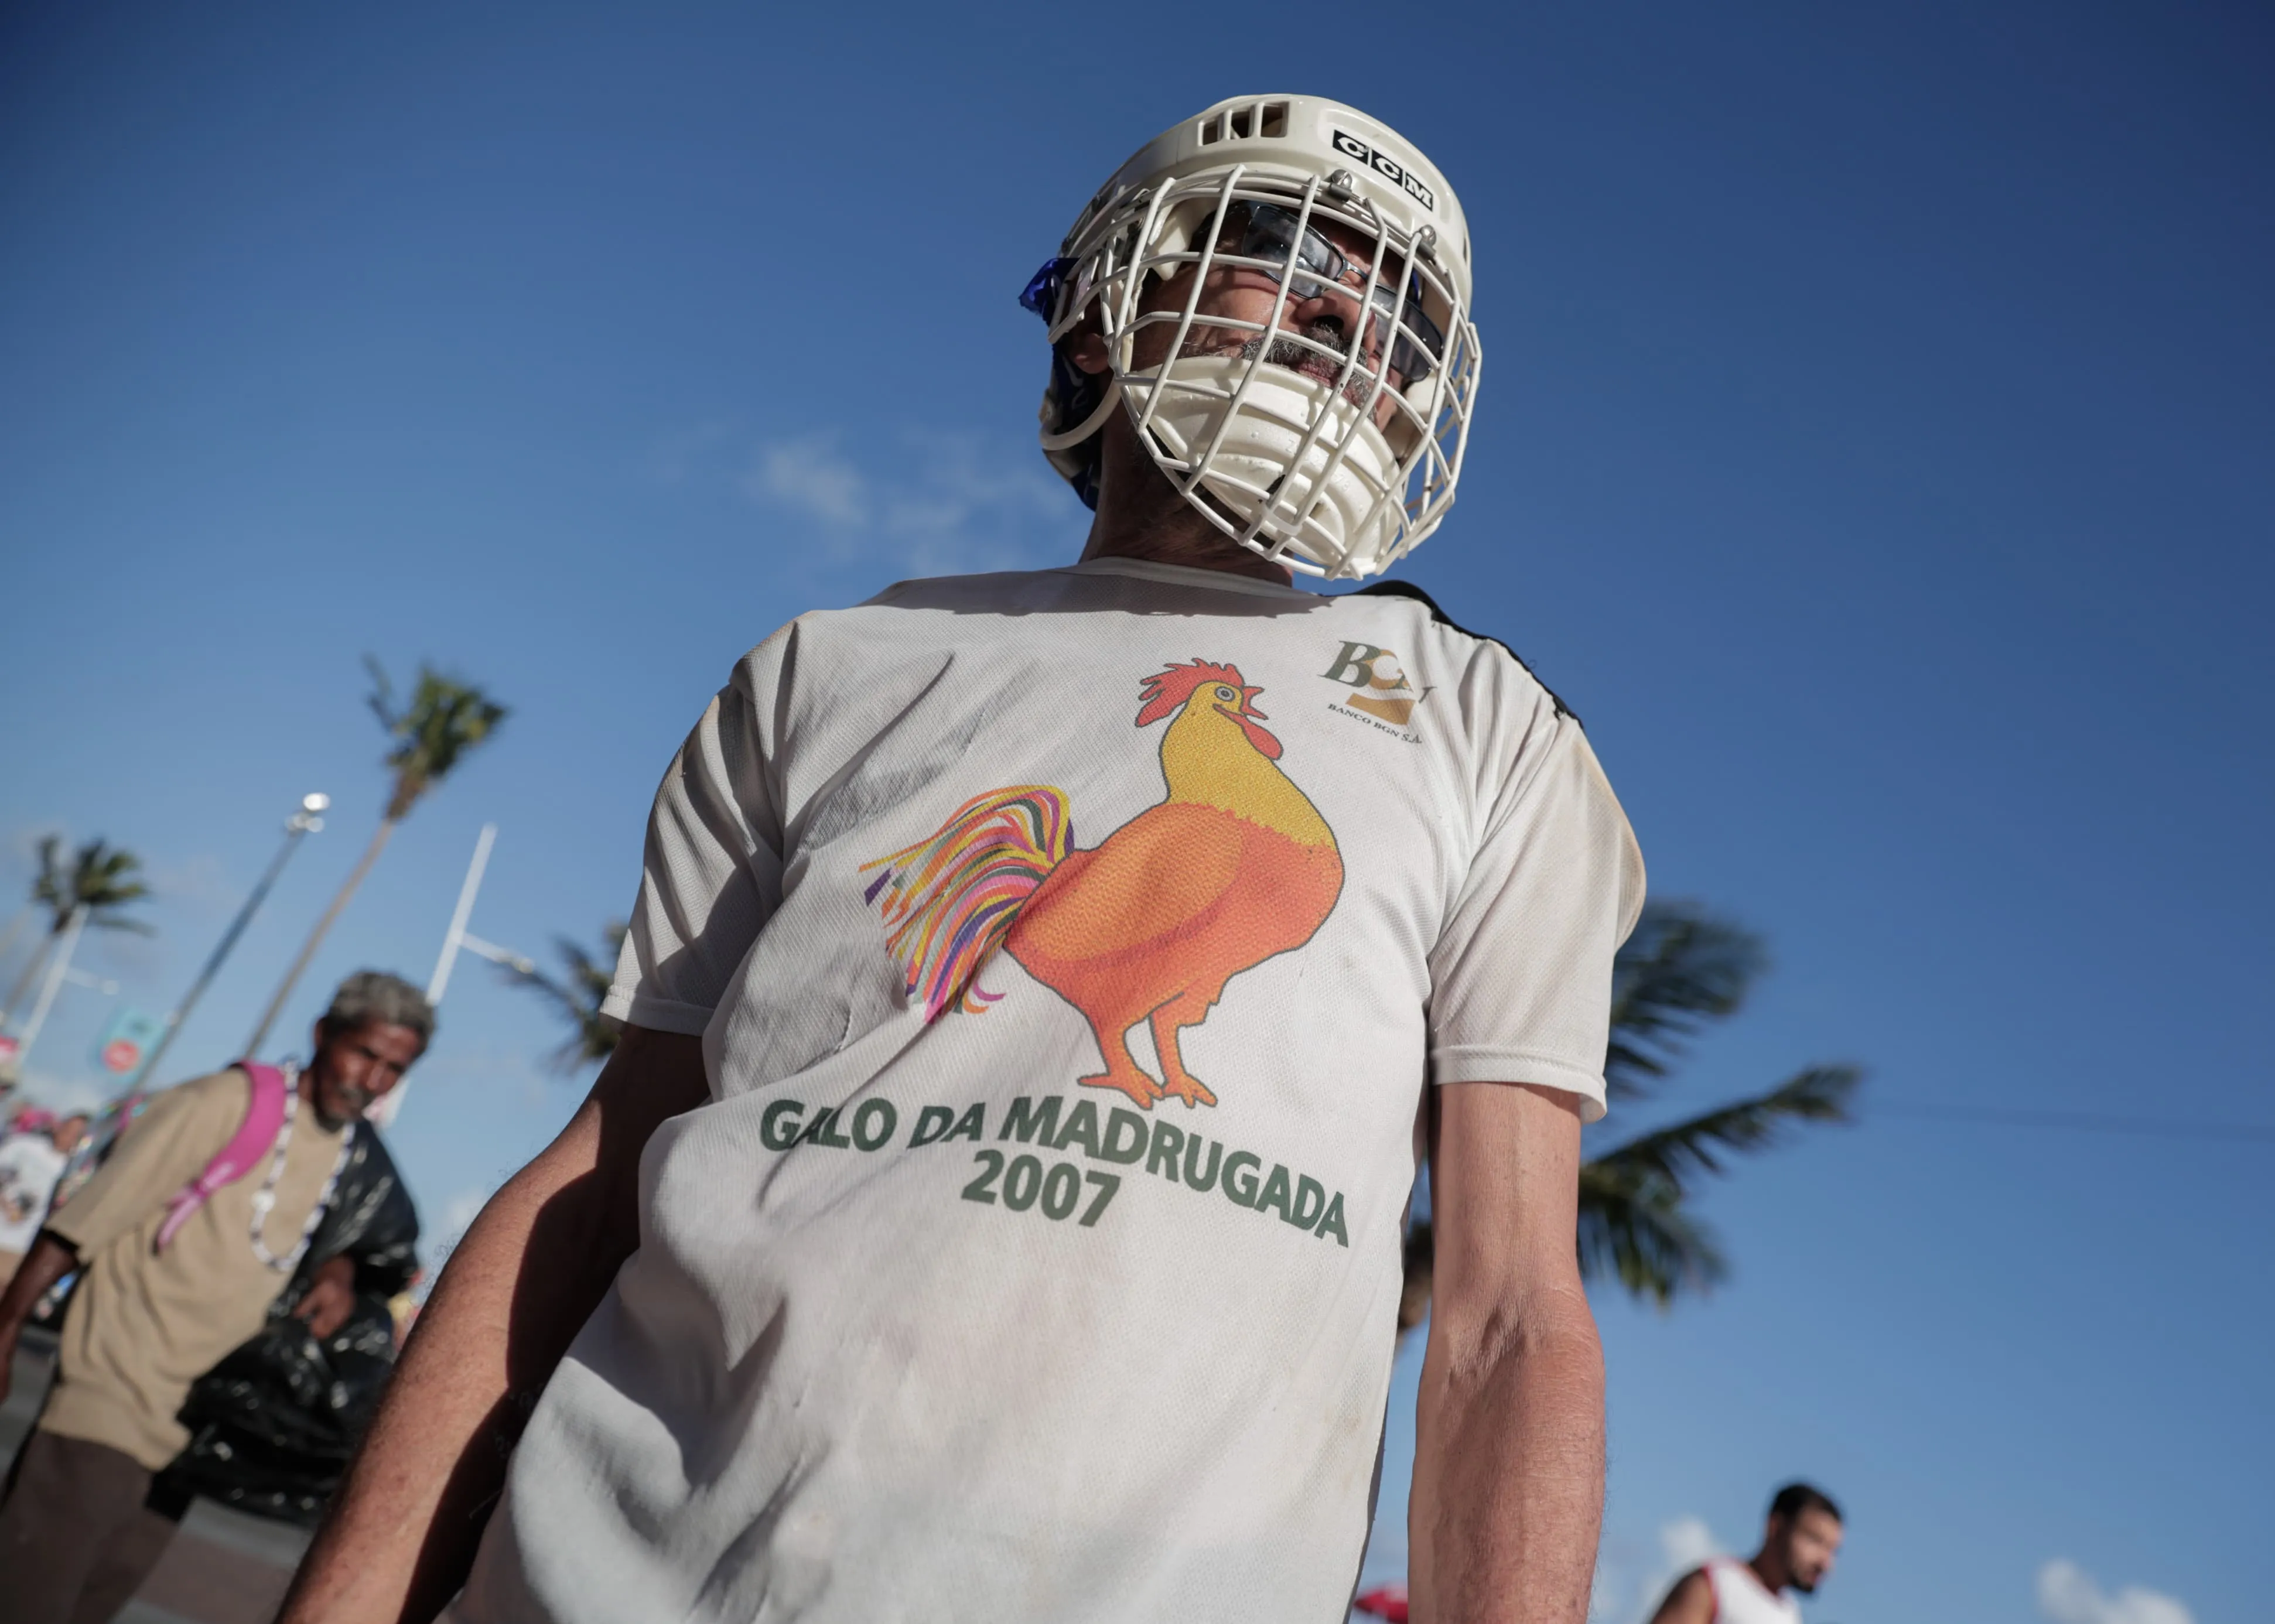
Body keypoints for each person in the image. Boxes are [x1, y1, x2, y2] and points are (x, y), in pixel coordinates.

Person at [282, 93, 1643, 1624]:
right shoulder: (833, 664)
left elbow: (1510, 1317)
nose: (1346, 311)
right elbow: (601, 1175)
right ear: (1095, 317)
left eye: (1395, 311)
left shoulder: (1494, 726)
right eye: (1287, 248)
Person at [0, 970, 432, 1624]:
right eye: (363, 1053)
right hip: (109, 1396)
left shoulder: (355, 1160)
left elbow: (374, 1246)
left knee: (92, 1607)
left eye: (394, 1068)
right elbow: (84, 1220)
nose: (372, 1080)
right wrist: (5, 1329)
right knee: (28, 1598)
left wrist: (340, 1267)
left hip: (196, 1431)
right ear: (323, 1034)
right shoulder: (222, 1103)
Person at [1645, 1484, 1845, 1624]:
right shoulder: (1715, 1584)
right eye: (1815, 1540)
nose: (1826, 1563)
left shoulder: (1790, 1613)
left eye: (1832, 1550)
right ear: (1775, 1527)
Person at [0, 1110, 88, 1281]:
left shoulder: (73, 1173)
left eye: (75, 1134)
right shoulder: (25, 1146)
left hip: (19, 1246)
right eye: (67, 1128)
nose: (68, 1135)